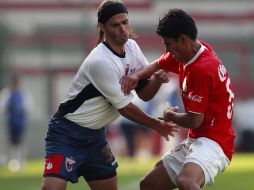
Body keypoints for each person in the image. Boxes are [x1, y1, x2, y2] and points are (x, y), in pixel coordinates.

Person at [41, 1, 178, 190]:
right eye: (115, 25)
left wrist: (155, 81)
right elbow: (125, 109)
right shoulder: (100, 61)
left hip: (95, 136)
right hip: (66, 133)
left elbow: (145, 94)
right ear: (101, 27)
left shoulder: (132, 48)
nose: (123, 29)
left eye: (125, 22)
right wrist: (156, 124)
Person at [121, 8, 235, 190]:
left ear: (182, 39)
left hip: (215, 141)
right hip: (197, 139)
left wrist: (169, 115)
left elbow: (194, 120)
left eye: (168, 44)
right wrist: (136, 77)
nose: (167, 50)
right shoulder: (192, 51)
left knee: (187, 182)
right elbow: (158, 64)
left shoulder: (200, 70)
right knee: (149, 185)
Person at [4, 74, 28, 171]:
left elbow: (27, 108)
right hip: (11, 122)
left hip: (20, 122)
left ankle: (21, 160)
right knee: (11, 141)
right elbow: (3, 108)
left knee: (20, 141)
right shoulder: (7, 94)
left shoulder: (23, 94)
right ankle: (13, 161)